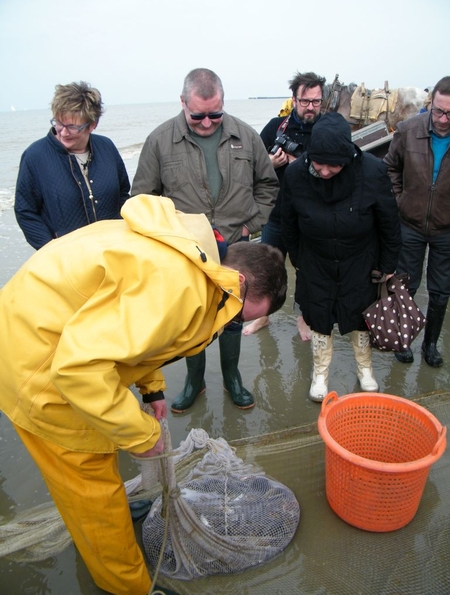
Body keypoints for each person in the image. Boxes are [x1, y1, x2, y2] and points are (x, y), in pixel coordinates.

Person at [0, 195, 287, 595]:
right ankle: (129, 587)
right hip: (36, 368)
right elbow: (76, 369)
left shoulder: (190, 248)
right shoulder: (180, 287)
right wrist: (141, 435)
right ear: (238, 281)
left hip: (37, 326)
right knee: (93, 491)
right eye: (239, 314)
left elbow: (133, 327)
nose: (234, 322)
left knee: (107, 447)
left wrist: (151, 387)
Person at [131, 68, 279, 413]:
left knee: (231, 315)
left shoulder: (246, 135)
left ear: (223, 102)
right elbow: (142, 200)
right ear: (182, 102)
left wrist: (249, 227)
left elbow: (268, 185)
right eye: (198, 115)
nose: (208, 122)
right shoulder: (159, 140)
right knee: (192, 319)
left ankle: (232, 379)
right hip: (185, 254)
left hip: (235, 247)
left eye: (216, 114)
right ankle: (194, 382)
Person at [282, 112, 402, 401]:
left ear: (348, 158)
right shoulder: (296, 173)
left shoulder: (372, 171)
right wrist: (299, 260)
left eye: (333, 165)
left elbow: (389, 223)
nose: (324, 171)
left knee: (361, 317)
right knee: (319, 317)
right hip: (316, 260)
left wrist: (387, 265)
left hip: (360, 261)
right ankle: (320, 374)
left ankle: (365, 369)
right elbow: (287, 222)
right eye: (319, 163)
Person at [243, 71, 326, 339]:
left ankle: (302, 317)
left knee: (306, 269)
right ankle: (263, 316)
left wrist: (300, 165)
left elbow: (340, 171)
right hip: (276, 214)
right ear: (294, 99)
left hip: (310, 217)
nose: (310, 107)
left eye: (316, 101)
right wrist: (271, 162)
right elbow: (249, 164)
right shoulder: (275, 127)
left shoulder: (328, 129)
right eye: (305, 101)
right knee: (267, 269)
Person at [14, 81, 130, 250]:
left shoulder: (107, 147)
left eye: (72, 127)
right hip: (65, 261)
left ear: (92, 124)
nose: (63, 132)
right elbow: (25, 212)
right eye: (59, 123)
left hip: (111, 252)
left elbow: (123, 194)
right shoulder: (35, 156)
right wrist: (51, 249)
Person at [384, 76, 450, 367]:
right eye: (438, 111)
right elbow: (390, 168)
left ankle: (431, 345)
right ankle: (403, 339)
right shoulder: (408, 130)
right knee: (405, 286)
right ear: (430, 104)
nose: (443, 119)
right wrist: (400, 200)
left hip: (446, 229)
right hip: (409, 223)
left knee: (440, 291)